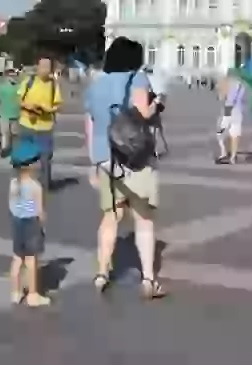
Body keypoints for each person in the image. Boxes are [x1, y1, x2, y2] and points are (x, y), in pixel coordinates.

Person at [85, 36, 166, 299]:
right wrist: (158, 103)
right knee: (143, 219)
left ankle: (101, 273)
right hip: (134, 158)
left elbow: (90, 123)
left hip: (104, 157)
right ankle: (148, 279)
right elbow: (143, 113)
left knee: (110, 217)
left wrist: (93, 161)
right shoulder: (138, 79)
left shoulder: (96, 84)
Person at [8, 140, 50, 307]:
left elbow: (11, 205)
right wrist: (42, 225)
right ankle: (33, 295)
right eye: (37, 159)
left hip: (17, 223)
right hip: (31, 223)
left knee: (17, 259)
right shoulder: (35, 186)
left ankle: (16, 292)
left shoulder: (13, 184)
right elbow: (39, 210)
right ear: (31, 165)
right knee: (32, 261)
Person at [17, 56, 63, 194]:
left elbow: (58, 105)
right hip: (27, 124)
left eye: (48, 67)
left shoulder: (54, 84)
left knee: (46, 157)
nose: (45, 69)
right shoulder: (29, 81)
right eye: (43, 66)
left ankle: (46, 185)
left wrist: (49, 109)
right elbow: (18, 100)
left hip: (45, 126)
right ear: (37, 67)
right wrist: (28, 106)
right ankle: (24, 183)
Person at [216, 70, 245, 164]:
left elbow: (221, 97)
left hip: (228, 109)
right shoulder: (242, 85)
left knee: (220, 132)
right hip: (238, 110)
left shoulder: (226, 83)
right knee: (234, 135)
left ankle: (223, 152)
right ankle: (233, 157)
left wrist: (220, 90)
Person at [0, 68, 21, 157]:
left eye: (15, 75)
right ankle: (4, 149)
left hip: (16, 114)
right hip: (4, 114)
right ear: (6, 77)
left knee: (14, 133)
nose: (13, 77)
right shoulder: (1, 87)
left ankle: (14, 149)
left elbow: (22, 99)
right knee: (5, 133)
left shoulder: (19, 87)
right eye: (11, 76)